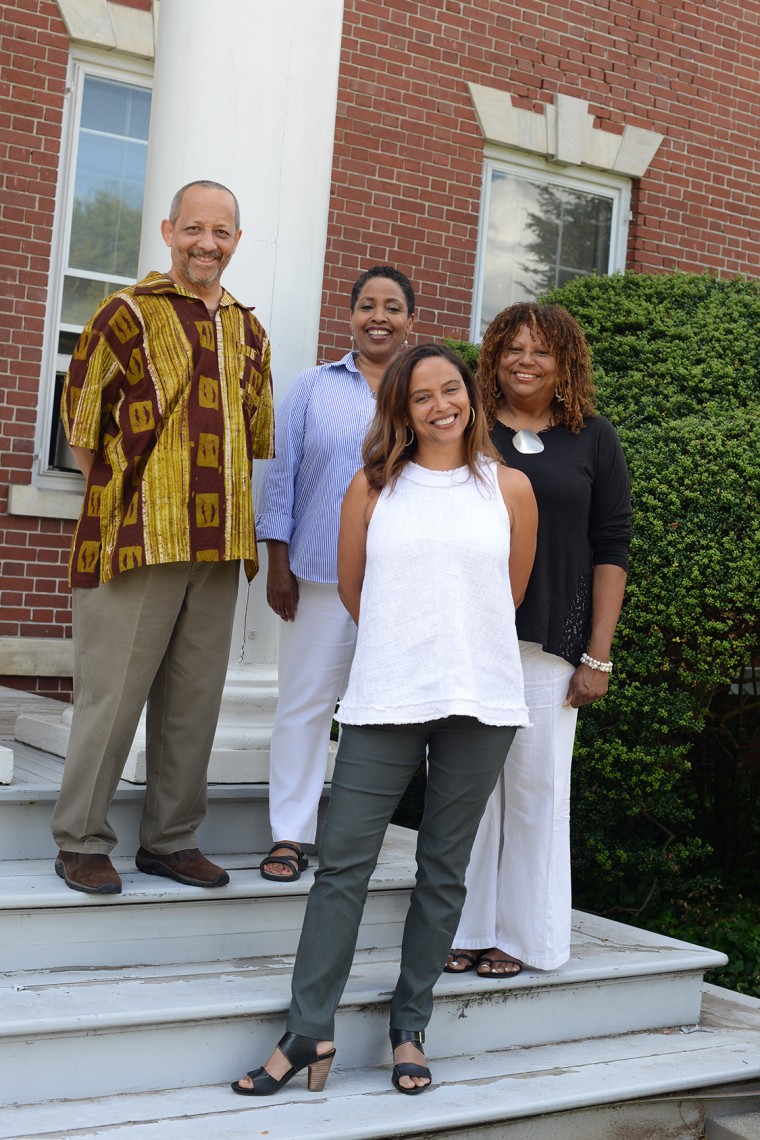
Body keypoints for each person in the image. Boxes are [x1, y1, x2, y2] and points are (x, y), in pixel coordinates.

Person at [231, 342, 537, 1097]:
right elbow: (357, 591)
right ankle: (308, 1031)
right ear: (400, 410)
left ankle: (411, 1028)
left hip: (481, 699)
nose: (441, 405)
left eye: (452, 389)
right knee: (342, 865)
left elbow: (509, 596)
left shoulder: (512, 489)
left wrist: (455, 651)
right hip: (386, 697)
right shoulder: (372, 486)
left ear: (471, 394)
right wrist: (406, 652)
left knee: (443, 868)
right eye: (421, 396)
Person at [51, 180, 274, 895]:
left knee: (194, 702)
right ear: (169, 229)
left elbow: (256, 437)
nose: (206, 243)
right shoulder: (125, 314)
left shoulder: (251, 328)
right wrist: (132, 496)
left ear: (237, 240)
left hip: (219, 543)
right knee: (111, 697)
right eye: (194, 229)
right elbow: (83, 428)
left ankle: (171, 841)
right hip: (137, 538)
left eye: (222, 232)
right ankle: (81, 840)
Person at [446, 301, 631, 979]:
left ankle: (525, 939)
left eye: (541, 351)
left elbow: (611, 547)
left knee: (535, 792)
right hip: (470, 638)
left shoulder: (594, 439)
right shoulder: (466, 429)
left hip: (552, 643)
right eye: (511, 349)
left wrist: (598, 656)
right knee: (464, 792)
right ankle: (459, 928)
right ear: (492, 357)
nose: (525, 361)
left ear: (565, 364)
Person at [255, 266, 416, 882]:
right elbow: (282, 475)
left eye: (393, 307)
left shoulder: (425, 389)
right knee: (304, 705)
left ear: (409, 321)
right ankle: (289, 836)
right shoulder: (313, 387)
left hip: (399, 582)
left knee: (378, 715)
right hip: (318, 574)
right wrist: (279, 564)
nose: (379, 317)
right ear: (350, 316)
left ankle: (350, 838)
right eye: (368, 305)